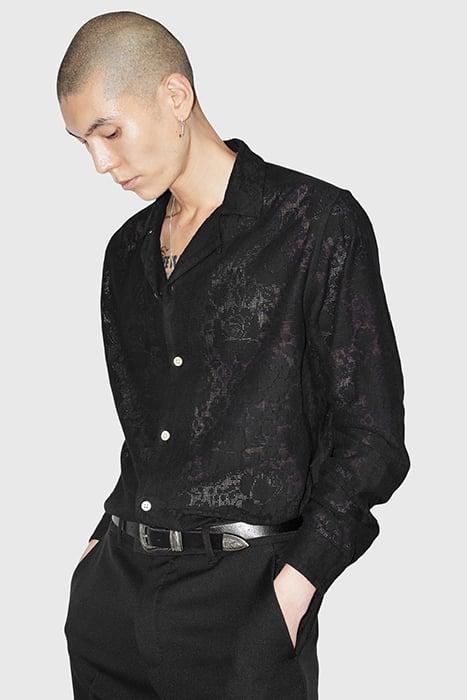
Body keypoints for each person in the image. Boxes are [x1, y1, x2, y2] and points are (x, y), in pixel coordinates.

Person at [57, 11, 411, 700]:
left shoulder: (315, 225)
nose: (99, 163)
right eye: (83, 143)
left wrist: (296, 585)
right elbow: (152, 433)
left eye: (109, 132)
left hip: (246, 607)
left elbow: (370, 435)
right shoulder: (126, 253)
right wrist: (99, 549)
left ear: (175, 96)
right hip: (115, 598)